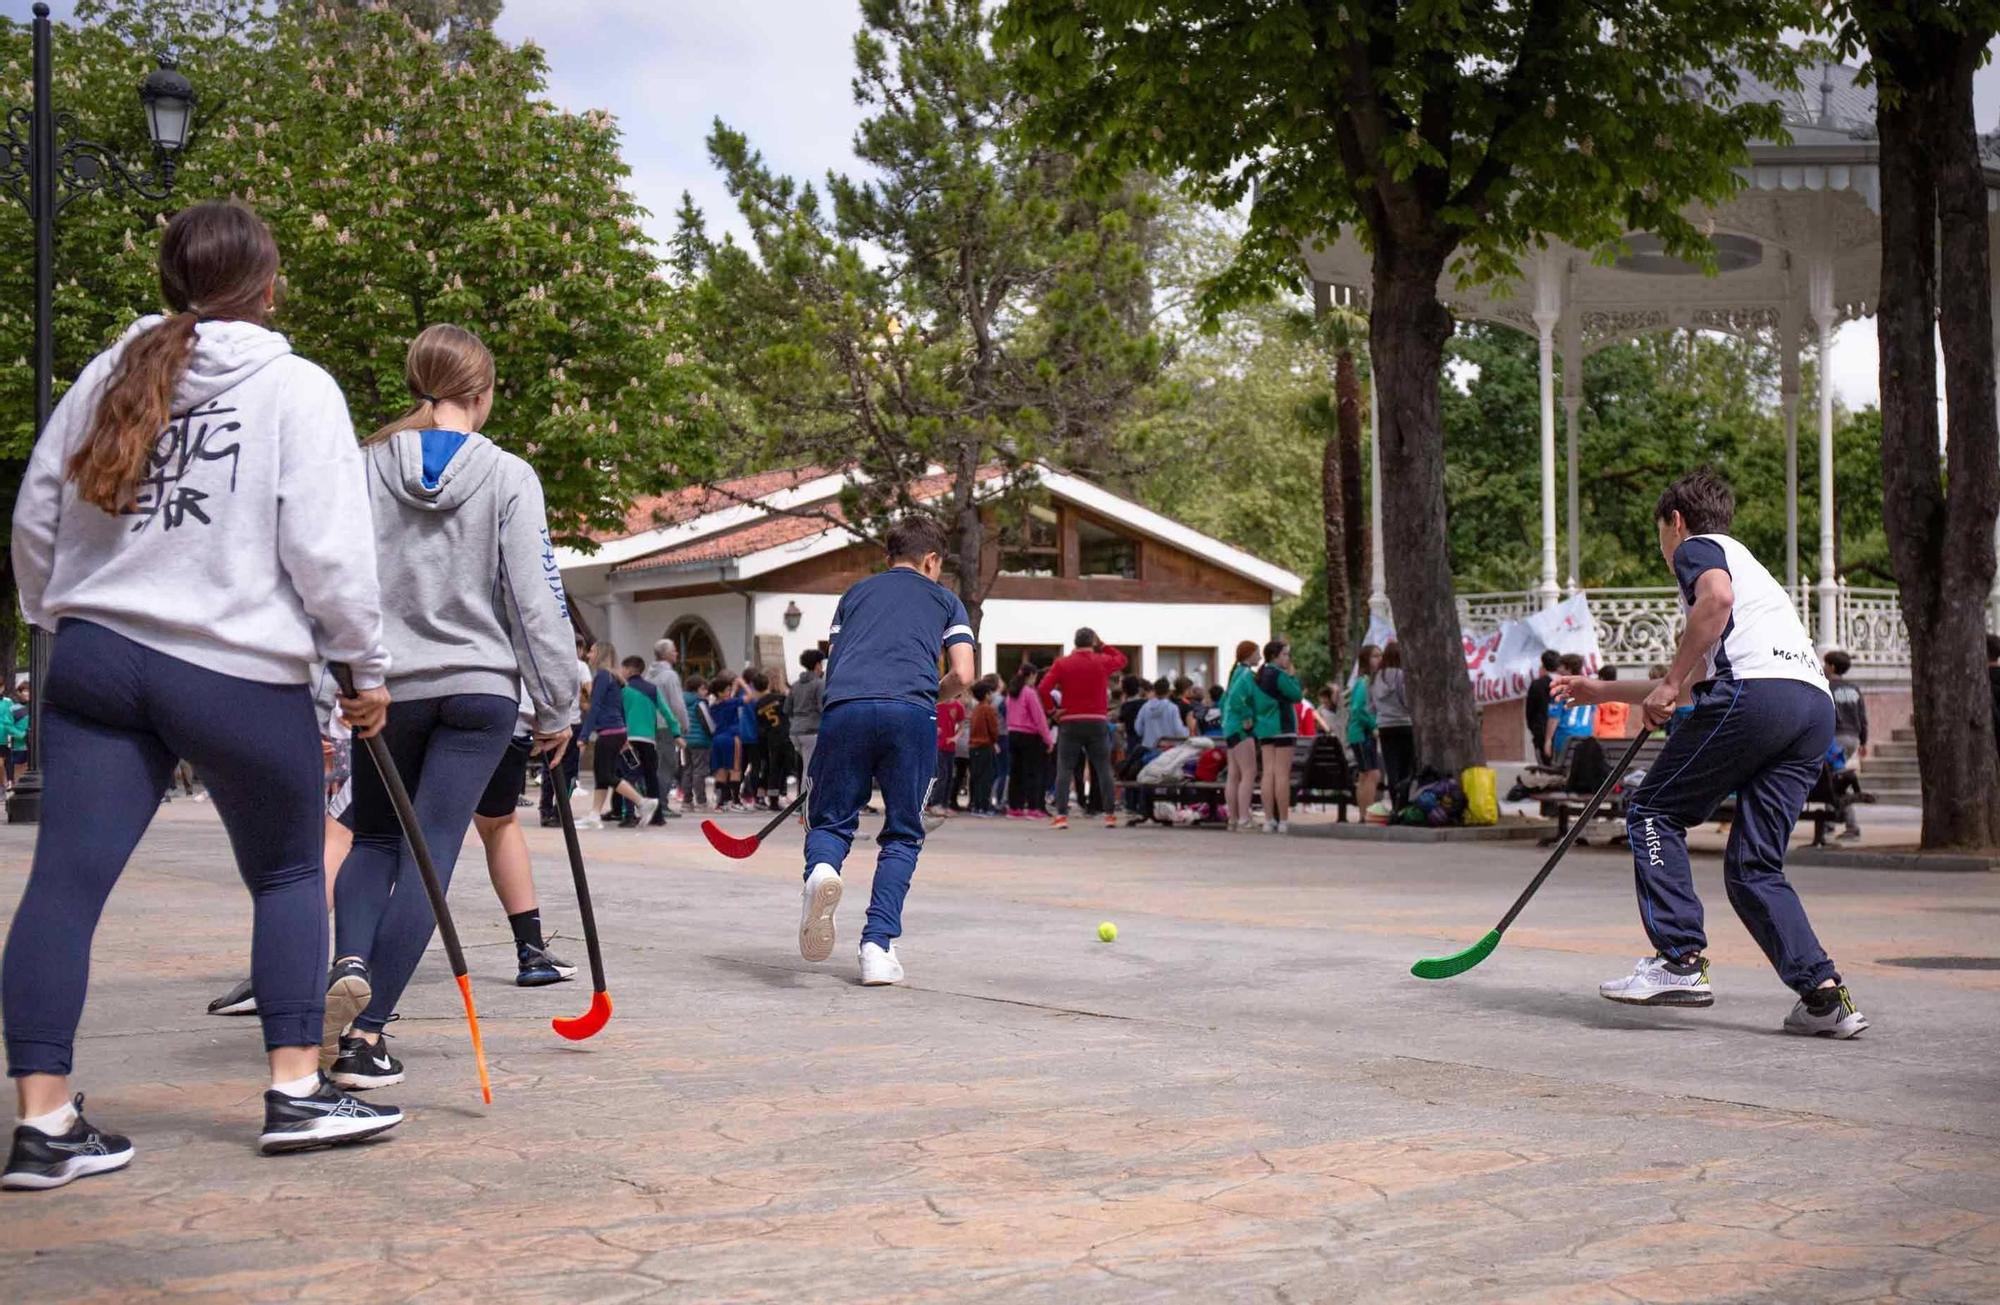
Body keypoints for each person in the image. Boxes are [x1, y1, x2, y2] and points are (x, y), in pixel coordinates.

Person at [4, 200, 402, 1185]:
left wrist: (55, 614)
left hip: (98, 652)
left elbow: (35, 512)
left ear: (169, 284)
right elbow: (328, 553)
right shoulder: (295, 388)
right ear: (267, 287)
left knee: (64, 882)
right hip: (231, 662)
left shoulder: (108, 372)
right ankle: (297, 1090)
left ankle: (43, 1121)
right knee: (285, 872)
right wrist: (365, 668)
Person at [326, 323, 580, 1093]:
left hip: (388, 688)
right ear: (484, 391)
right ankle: (366, 1035)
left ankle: (350, 960)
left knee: (371, 836)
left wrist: (344, 671)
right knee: (430, 857)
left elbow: (336, 572)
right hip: (477, 690)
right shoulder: (508, 475)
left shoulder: (365, 466)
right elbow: (535, 599)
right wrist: (556, 703)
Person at [1554, 468, 1866, 1039]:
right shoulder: (1753, 573)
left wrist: (1669, 684)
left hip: (1756, 697)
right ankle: (1824, 996)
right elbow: (1698, 679)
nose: (1664, 548)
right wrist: (1603, 691)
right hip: (1809, 707)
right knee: (1754, 867)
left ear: (1675, 521)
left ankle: (1679, 960)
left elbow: (1712, 606)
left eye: (1661, 535)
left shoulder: (1699, 550)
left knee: (1652, 811)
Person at [795, 518, 976, 986]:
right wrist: (929, 695)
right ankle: (877, 946)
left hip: (846, 708)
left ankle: (821, 871)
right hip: (910, 712)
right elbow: (964, 674)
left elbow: (836, 662)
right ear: (933, 560)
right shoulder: (946, 600)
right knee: (902, 833)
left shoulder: (854, 595)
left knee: (831, 819)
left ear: (888, 556)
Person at [470, 692, 580, 986]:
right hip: (497, 703)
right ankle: (531, 952)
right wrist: (554, 713)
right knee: (499, 825)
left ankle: (358, 958)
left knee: (386, 838)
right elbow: (546, 647)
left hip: (404, 699)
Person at [1039, 628, 1127, 831]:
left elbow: (1043, 689)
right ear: (1092, 642)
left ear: (1075, 642)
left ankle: (1061, 815)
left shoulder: (1062, 663)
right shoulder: (1101, 660)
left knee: (1065, 768)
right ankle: (1110, 815)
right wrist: (1103, 644)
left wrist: (1053, 711)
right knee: (1103, 768)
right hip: (1097, 720)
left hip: (1070, 720)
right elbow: (1121, 659)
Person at [576, 642, 651, 829]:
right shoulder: (614, 677)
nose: (588, 655)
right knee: (602, 775)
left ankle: (642, 802)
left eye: (592, 651)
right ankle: (594, 815)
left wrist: (583, 736)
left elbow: (595, 708)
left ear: (600, 654)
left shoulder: (602, 676)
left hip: (608, 732)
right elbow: (619, 708)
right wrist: (624, 735)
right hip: (617, 731)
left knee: (606, 775)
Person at [1251, 640, 1304, 833]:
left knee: (1268, 773)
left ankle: (1268, 820)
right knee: (1282, 774)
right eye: (1285, 654)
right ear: (1275, 656)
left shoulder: (1259, 675)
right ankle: (1283, 820)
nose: (1288, 658)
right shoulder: (1281, 675)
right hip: (1283, 726)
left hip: (1265, 728)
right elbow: (1297, 695)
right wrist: (1292, 676)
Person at [621, 655, 678, 827]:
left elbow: (621, 714)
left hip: (629, 739)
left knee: (628, 776)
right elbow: (667, 712)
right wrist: (676, 733)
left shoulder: (624, 690)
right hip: (648, 739)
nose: (621, 672)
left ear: (630, 670)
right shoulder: (653, 690)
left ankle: (629, 814)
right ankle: (658, 816)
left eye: (623, 668)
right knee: (651, 777)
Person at [540, 636, 590, 827]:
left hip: (551, 723)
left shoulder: (551, 663)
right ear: (578, 648)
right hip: (572, 724)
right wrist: (585, 704)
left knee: (549, 768)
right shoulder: (580, 666)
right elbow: (588, 689)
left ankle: (545, 811)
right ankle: (560, 812)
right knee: (569, 771)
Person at [1824, 649, 1868, 840]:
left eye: (1825, 664)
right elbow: (1862, 717)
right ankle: (1829, 822)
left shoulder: (1828, 687)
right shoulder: (1854, 689)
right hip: (1853, 737)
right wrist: (1864, 741)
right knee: (1834, 778)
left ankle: (1850, 825)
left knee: (1833, 781)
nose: (1823, 668)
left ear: (1832, 666)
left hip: (1835, 738)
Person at [643, 639, 689, 817]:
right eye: (674, 651)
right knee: (667, 764)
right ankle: (661, 804)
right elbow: (676, 703)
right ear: (667, 654)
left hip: (650, 724)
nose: (677, 654)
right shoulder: (669, 676)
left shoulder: (649, 674)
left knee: (656, 764)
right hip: (666, 725)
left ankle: (654, 800)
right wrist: (684, 724)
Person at [1220, 641, 1263, 830]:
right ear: (1249, 655)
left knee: (1234, 774)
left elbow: (1225, 700)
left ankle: (1233, 818)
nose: (1260, 657)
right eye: (1257, 653)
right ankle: (1244, 819)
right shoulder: (1246, 675)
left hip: (1229, 727)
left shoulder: (1235, 673)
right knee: (1249, 772)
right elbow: (1238, 698)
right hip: (1241, 728)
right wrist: (1246, 716)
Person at [1005, 662, 1053, 818]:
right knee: (1032, 772)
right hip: (1029, 736)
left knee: (1015, 772)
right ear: (1031, 675)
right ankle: (1033, 807)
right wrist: (1048, 739)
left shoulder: (1011, 693)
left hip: (1012, 733)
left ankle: (1014, 807)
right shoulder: (1029, 693)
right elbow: (1039, 718)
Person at [1372, 641, 1415, 811]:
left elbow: (1371, 706)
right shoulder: (1402, 675)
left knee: (1391, 766)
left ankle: (1393, 805)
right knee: (1406, 766)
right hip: (1404, 724)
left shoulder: (1376, 677)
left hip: (1384, 726)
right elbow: (1407, 700)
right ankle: (1403, 804)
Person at [1346, 644, 1382, 817]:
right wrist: (1373, 725)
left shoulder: (1369, 682)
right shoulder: (1364, 682)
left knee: (1364, 775)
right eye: (1375, 656)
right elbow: (1358, 709)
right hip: (1362, 733)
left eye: (1380, 656)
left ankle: (1363, 814)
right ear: (1366, 660)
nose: (1379, 659)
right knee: (1371, 774)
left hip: (1361, 733)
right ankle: (1367, 813)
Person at [707, 670, 747, 811]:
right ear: (721, 692)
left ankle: (722, 801)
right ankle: (736, 800)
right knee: (735, 769)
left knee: (721, 770)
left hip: (717, 738)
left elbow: (728, 698)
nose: (730, 692)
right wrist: (742, 683)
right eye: (728, 690)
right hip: (732, 737)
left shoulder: (713, 706)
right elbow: (750, 697)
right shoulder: (732, 703)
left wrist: (733, 688)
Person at [1548, 652, 1596, 763]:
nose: (1558, 669)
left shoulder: (1562, 689)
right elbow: (1592, 715)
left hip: (1565, 737)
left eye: (1560, 666)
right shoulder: (1589, 687)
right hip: (1585, 736)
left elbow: (1554, 718)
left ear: (1568, 669)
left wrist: (1548, 740)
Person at [788, 649, 825, 789]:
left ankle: (802, 798)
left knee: (802, 767)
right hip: (812, 730)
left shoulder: (796, 684)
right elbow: (822, 707)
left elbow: (787, 708)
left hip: (795, 730)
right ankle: (806, 803)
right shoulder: (819, 684)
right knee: (809, 770)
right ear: (817, 665)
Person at [967, 681, 1001, 816]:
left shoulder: (976, 709)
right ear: (987, 694)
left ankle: (976, 805)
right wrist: (994, 740)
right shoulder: (988, 709)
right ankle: (984, 806)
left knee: (976, 777)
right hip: (985, 745)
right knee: (987, 777)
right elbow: (993, 729)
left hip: (974, 746)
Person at [681, 675, 713, 809]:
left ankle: (687, 800)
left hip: (686, 740)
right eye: (704, 689)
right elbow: (708, 722)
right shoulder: (699, 702)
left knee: (688, 770)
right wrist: (713, 734)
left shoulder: (682, 701)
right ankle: (701, 801)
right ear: (697, 689)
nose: (706, 692)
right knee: (700, 771)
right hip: (700, 741)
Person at [1525, 649, 1560, 765]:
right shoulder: (1563, 683)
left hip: (1541, 731)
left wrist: (1534, 729)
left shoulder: (1537, 685)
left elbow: (1529, 711)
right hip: (1562, 733)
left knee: (1545, 768)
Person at [1592, 666, 1631, 739]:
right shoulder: (1623, 698)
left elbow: (1596, 720)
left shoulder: (1600, 699)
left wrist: (1595, 735)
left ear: (1602, 678)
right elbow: (1625, 719)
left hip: (1602, 734)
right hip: (1619, 733)